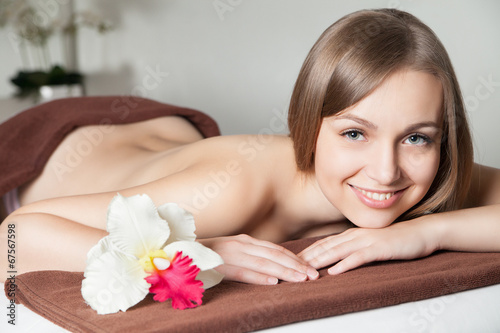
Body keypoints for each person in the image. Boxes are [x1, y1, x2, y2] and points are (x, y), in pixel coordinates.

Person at [1, 8, 500, 285]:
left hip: (166, 133)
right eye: (354, 133)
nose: (387, 171)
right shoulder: (232, 190)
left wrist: (425, 233)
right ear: (307, 127)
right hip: (59, 148)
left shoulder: (426, 172)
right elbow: (14, 239)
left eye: (416, 137)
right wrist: (191, 254)